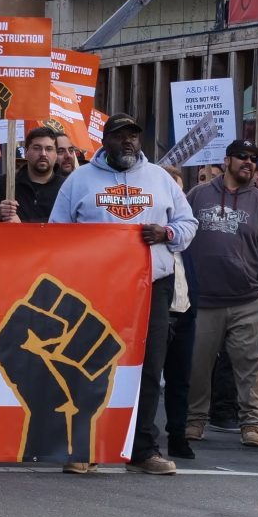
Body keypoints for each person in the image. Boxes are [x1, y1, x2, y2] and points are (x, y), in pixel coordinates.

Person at [50, 113, 197, 476]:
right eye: (120, 136)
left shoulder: (161, 179)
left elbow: (188, 223)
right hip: (97, 288)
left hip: (152, 288)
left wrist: (166, 234)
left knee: (148, 368)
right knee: (90, 363)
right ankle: (84, 447)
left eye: (133, 135)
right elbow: (57, 232)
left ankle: (143, 448)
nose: (128, 142)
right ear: (105, 140)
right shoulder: (79, 180)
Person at [183, 140, 258, 448]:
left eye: (253, 159)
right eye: (242, 157)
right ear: (227, 160)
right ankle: (194, 421)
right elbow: (182, 238)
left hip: (249, 300)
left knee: (253, 367)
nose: (249, 162)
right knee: (196, 365)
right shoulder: (198, 195)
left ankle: (253, 425)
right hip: (204, 301)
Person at [0, 126, 67, 223]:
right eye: (37, 148)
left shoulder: (66, 187)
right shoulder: (5, 183)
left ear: (56, 154)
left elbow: (73, 219)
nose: (43, 154)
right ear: (26, 152)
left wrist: (23, 224)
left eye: (49, 149)